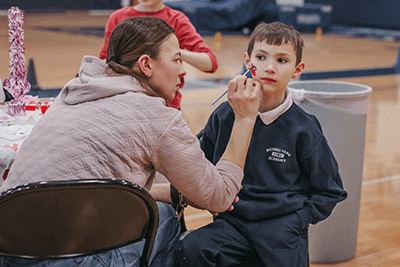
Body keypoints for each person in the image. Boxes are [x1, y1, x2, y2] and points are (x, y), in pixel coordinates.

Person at [0, 17, 261, 267]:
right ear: (146, 65)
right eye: (177, 59)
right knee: (166, 217)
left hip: (8, 251)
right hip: (68, 259)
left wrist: (177, 191)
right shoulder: (157, 117)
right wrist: (245, 118)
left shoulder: (75, 90)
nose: (183, 70)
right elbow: (219, 196)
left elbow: (108, 183)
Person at [177, 21, 348, 267]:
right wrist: (210, 201)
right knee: (190, 249)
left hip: (281, 228)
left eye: (281, 60)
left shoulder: (305, 127)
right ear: (248, 62)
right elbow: (199, 166)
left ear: (297, 70)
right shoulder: (225, 115)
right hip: (231, 224)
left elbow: (331, 192)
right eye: (261, 56)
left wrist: (296, 220)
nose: (269, 67)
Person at [99, 0, 218, 109]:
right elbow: (105, 60)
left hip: (167, 105)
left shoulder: (177, 19)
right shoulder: (118, 17)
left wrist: (174, 52)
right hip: (128, 102)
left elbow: (210, 63)